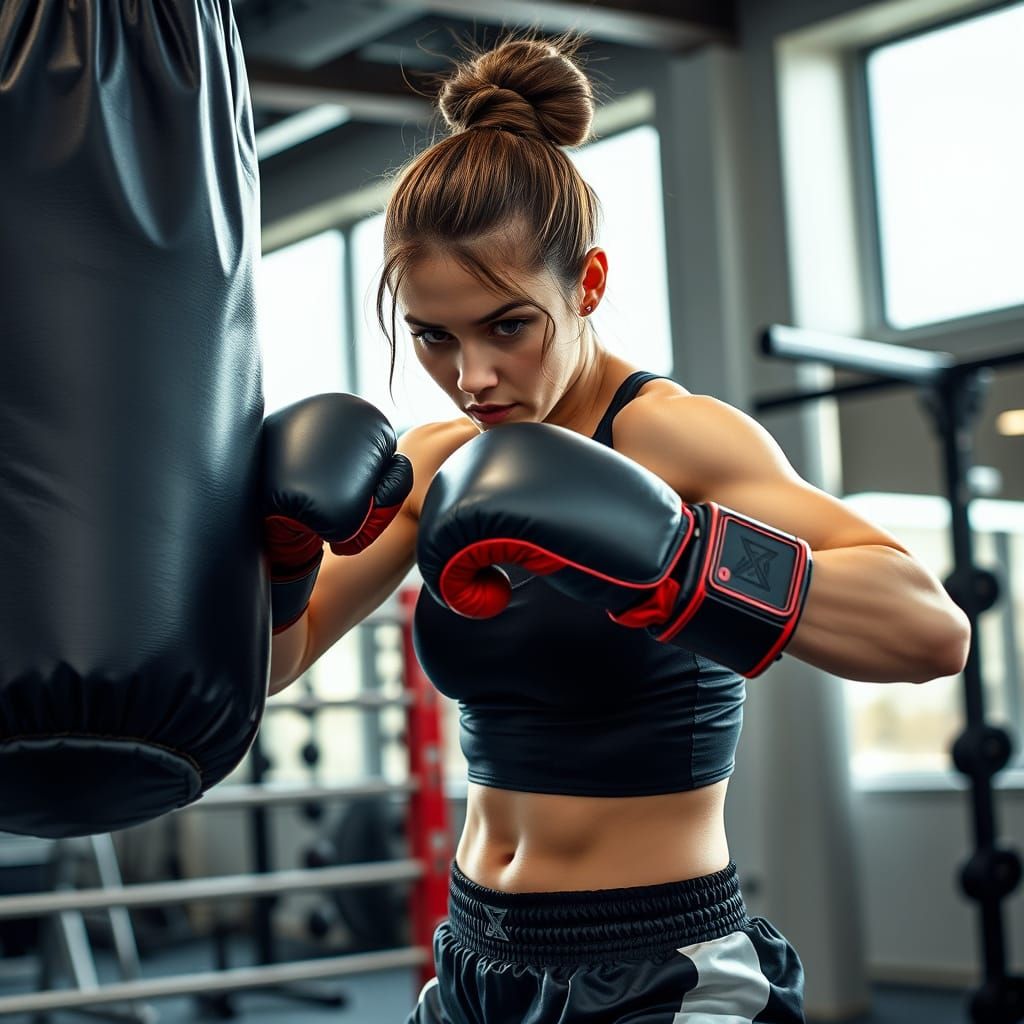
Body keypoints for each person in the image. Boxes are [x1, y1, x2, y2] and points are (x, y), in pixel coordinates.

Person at [266, 33, 971, 1024]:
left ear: (587, 284)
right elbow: (273, 662)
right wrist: (282, 559)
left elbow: (929, 631)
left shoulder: (671, 436)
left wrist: (679, 559)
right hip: (474, 967)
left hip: (657, 966)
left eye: (507, 325)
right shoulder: (434, 460)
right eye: (433, 334)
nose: (470, 376)